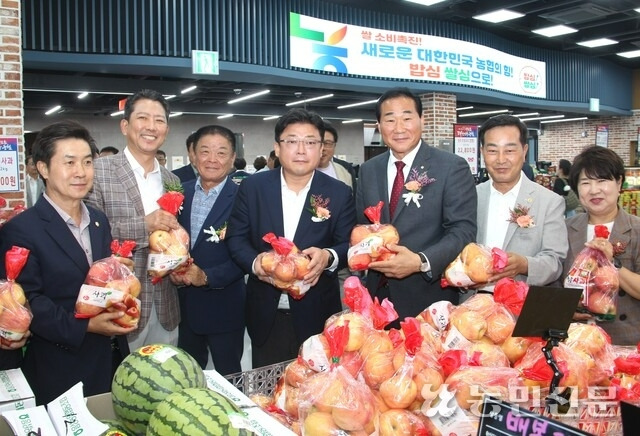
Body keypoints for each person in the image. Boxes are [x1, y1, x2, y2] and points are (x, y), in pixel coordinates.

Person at [0, 120, 132, 404]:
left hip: (108, 358)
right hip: (59, 366)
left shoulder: (98, 219)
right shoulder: (22, 229)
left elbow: (100, 280)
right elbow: (28, 301)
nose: (81, 172)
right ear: (43, 168)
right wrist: (86, 327)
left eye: (87, 162)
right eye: (69, 162)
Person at [226, 108, 356, 368]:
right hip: (266, 312)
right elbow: (236, 238)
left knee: (316, 394)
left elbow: (348, 244)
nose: (301, 150)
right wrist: (257, 264)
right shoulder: (253, 188)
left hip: (317, 313)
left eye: (310, 142)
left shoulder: (339, 192)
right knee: (266, 390)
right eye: (292, 141)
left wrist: (328, 256)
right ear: (277, 147)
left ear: (321, 149)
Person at [356, 87, 477, 322]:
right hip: (377, 300)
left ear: (421, 120)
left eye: (407, 118)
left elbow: (463, 230)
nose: (399, 128)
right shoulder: (369, 169)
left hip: (428, 300)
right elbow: (363, 227)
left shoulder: (451, 167)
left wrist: (421, 261)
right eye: (390, 119)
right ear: (379, 126)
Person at [86, 89, 181, 350]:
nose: (151, 127)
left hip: (165, 307)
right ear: (125, 125)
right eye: (143, 118)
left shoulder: (172, 181)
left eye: (159, 120)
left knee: (163, 381)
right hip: (117, 304)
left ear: (167, 129)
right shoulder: (98, 172)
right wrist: (144, 226)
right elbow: (91, 236)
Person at [169, 125, 245, 374]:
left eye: (221, 153)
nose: (212, 160)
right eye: (205, 151)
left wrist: (207, 277)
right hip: (181, 307)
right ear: (193, 155)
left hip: (224, 305)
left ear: (233, 158)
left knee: (229, 376)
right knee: (186, 377)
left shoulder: (244, 197)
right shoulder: (179, 193)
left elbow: (247, 252)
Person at [475, 115, 567, 290]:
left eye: (510, 150)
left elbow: (555, 261)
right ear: (482, 153)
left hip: (522, 308)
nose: (501, 159)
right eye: (492, 151)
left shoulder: (549, 202)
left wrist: (525, 264)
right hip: (471, 306)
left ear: (524, 151)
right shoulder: (471, 197)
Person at [563, 146, 640, 345]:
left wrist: (612, 264)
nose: (594, 190)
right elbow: (552, 285)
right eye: (586, 182)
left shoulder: (636, 229)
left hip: (625, 344)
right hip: (574, 343)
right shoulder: (564, 228)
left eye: (602, 181)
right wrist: (566, 309)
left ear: (619, 182)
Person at [317, 121, 357, 195]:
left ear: (334, 146)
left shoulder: (345, 170)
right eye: (318, 143)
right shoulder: (300, 171)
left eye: (327, 143)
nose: (322, 148)